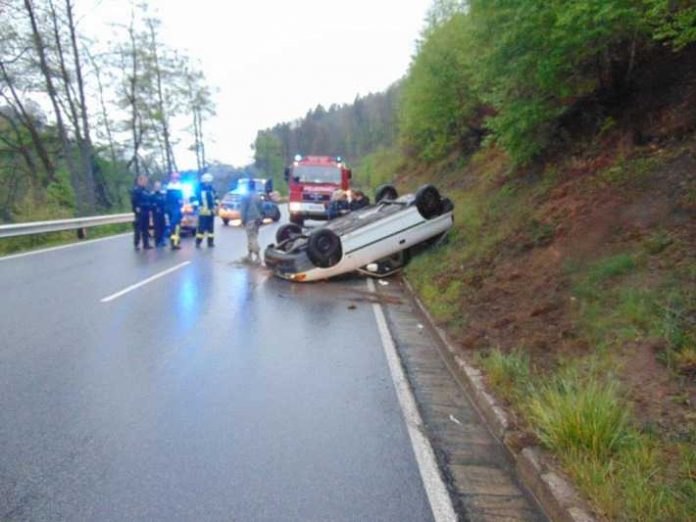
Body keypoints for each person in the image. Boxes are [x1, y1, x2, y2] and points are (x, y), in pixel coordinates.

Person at [239, 179, 264, 262]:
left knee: (252, 238)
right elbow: (261, 208)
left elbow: (243, 209)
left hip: (250, 219)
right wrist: (261, 218)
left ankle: (258, 257)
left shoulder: (245, 196)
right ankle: (249, 255)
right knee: (253, 236)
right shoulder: (257, 196)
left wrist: (242, 220)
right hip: (257, 219)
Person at [194, 173, 219, 248]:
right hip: (203, 211)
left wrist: (215, 205)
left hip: (211, 211)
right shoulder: (198, 189)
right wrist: (196, 206)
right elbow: (194, 198)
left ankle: (210, 242)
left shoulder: (212, 189)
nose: (208, 183)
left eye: (209, 182)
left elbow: (216, 198)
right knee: (201, 228)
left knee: (210, 228)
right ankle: (198, 242)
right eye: (207, 182)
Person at [131, 174, 152, 250]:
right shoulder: (136, 190)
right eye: (144, 180)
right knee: (138, 229)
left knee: (145, 229)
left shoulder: (146, 191)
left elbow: (149, 200)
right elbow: (134, 201)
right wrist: (137, 209)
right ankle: (136, 244)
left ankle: (146, 244)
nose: (146, 182)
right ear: (140, 181)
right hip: (140, 212)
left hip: (146, 211)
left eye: (146, 181)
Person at [166, 172, 184, 250]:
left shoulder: (179, 187)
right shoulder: (169, 188)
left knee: (176, 226)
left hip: (177, 208)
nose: (175, 179)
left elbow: (184, 199)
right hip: (173, 209)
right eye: (174, 178)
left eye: (177, 178)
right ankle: (174, 243)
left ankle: (175, 242)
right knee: (174, 225)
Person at [151, 181, 167, 247]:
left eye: (159, 186)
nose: (158, 187)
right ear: (154, 187)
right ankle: (157, 242)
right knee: (157, 228)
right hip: (156, 214)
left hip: (162, 213)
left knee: (163, 226)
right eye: (156, 186)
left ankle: (162, 240)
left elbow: (164, 203)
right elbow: (151, 204)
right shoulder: (152, 195)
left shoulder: (162, 195)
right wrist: (155, 207)